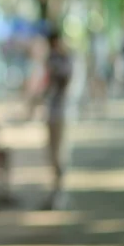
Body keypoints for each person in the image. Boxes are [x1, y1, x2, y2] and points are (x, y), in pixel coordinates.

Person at [42, 28, 73, 210]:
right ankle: (56, 191)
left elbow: (64, 82)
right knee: (53, 154)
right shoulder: (53, 60)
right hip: (53, 112)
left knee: (60, 153)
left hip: (63, 112)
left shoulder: (66, 60)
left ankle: (60, 192)